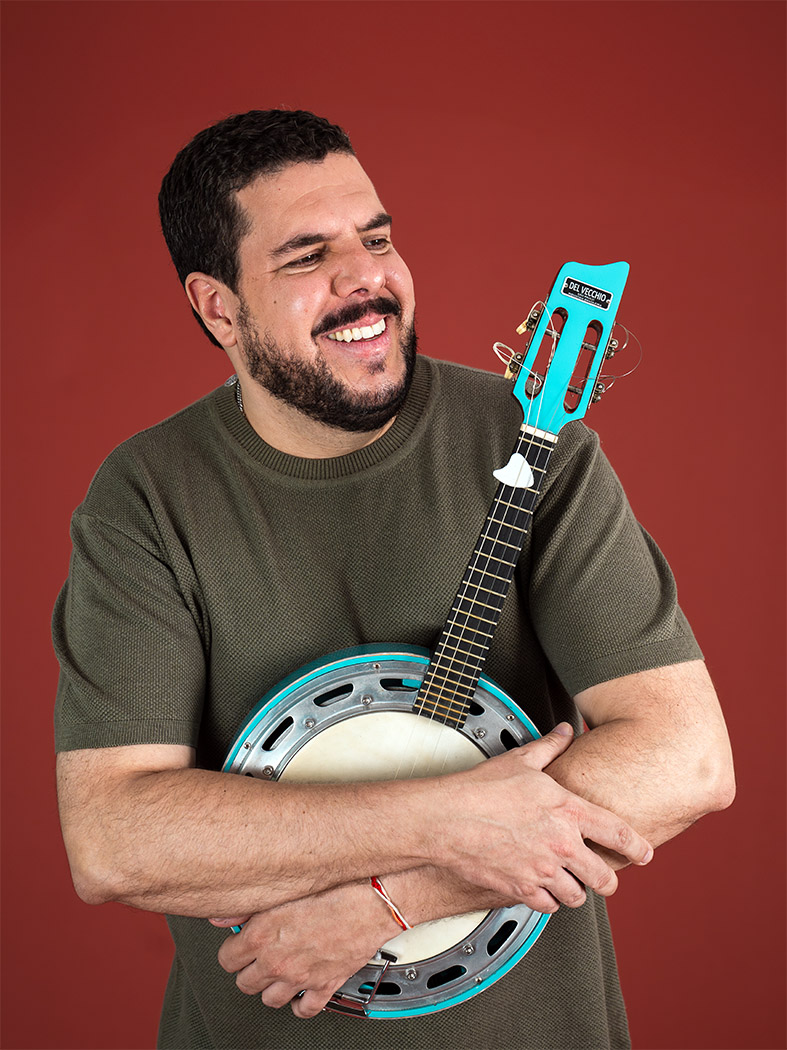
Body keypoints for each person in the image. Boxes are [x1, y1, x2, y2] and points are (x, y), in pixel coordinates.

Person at [53, 109, 734, 1050]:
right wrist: (445, 816)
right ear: (218, 308)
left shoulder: (534, 444)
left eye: (375, 239)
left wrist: (396, 898)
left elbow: (687, 759)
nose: (364, 278)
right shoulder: (146, 497)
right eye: (307, 256)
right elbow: (114, 840)